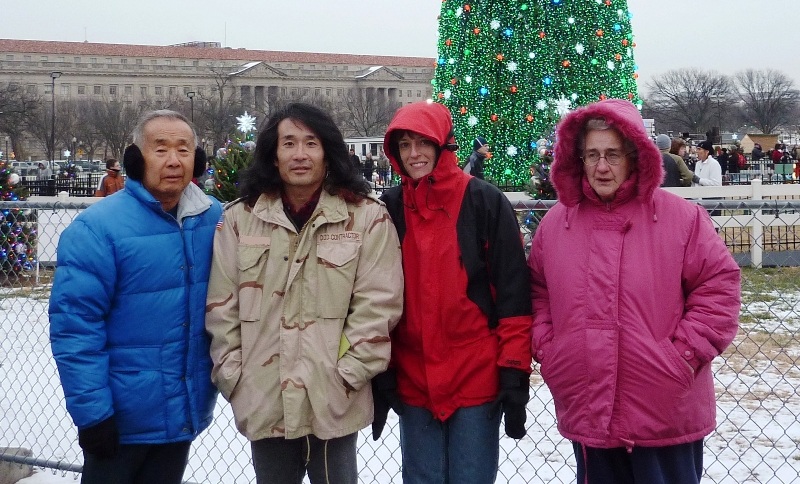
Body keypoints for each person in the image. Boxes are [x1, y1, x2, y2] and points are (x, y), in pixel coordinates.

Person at [528, 99, 740, 484]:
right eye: (592, 155)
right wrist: (550, 348)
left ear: (634, 156)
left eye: (612, 154)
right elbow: (537, 291)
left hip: (664, 409)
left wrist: (681, 358)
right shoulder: (557, 224)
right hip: (588, 403)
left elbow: (718, 287)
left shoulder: (681, 219)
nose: (602, 167)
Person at [205, 103, 404, 484]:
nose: (300, 154)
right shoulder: (239, 220)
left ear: (328, 152)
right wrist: (235, 376)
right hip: (264, 395)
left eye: (311, 143)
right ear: (273, 155)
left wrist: (347, 375)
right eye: (289, 143)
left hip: (332, 397)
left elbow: (378, 306)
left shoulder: (364, 218)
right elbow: (221, 308)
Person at [49, 110, 221, 484]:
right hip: (119, 421)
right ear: (135, 158)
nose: (174, 160)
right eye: (160, 149)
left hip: (181, 412)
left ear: (199, 160)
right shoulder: (97, 229)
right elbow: (75, 330)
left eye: (184, 149)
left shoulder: (216, 220)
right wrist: (94, 414)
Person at [378, 102, 532, 484]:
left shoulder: (483, 202)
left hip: (475, 375)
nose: (414, 155)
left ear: (443, 144)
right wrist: (381, 370)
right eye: (405, 145)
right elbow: (375, 295)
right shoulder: (391, 208)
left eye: (423, 143)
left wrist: (514, 372)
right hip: (414, 377)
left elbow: (512, 295)